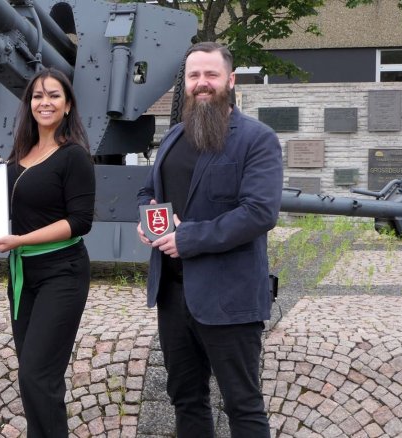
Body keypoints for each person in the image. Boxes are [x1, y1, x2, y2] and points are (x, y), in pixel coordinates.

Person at [136, 41, 282, 437]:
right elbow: (147, 192)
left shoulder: (257, 139)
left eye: (211, 74)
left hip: (229, 298)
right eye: (194, 75)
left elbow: (259, 212)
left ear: (230, 80)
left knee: (243, 406)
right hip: (172, 295)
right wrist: (149, 218)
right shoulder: (173, 138)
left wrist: (188, 238)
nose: (202, 83)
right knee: (186, 400)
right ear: (185, 83)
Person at [0, 68, 95, 438]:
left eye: (54, 96)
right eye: (37, 96)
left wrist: (20, 241)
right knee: (34, 377)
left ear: (67, 105)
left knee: (37, 374)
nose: (44, 103)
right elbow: (15, 200)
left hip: (62, 272)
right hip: (22, 277)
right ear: (28, 104)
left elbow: (80, 221)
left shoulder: (73, 156)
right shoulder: (20, 154)